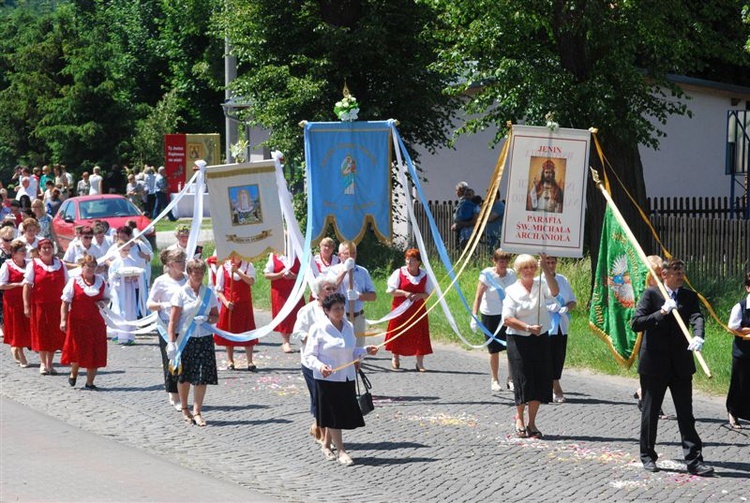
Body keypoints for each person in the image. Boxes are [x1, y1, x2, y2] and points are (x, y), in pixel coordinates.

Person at [631, 258, 713, 476]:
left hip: (680, 364)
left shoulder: (689, 296)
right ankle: (648, 455)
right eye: (677, 272)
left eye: (682, 272)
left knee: (686, 414)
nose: (681, 276)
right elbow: (636, 323)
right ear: (665, 274)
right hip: (654, 364)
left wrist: (698, 336)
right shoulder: (652, 294)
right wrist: (662, 312)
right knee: (650, 412)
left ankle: (694, 460)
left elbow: (697, 317)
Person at [303, 293, 379, 465]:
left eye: (342, 308)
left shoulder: (348, 326)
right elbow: (309, 355)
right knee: (334, 414)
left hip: (346, 377)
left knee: (335, 414)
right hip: (326, 379)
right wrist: (320, 366)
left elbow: (352, 352)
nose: (340, 311)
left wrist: (366, 350)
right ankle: (342, 451)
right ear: (326, 311)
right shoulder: (318, 328)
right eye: (336, 309)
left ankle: (326, 444)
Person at [502, 253, 559, 439]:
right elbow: (507, 319)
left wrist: (546, 269)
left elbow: (555, 291)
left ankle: (532, 422)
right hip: (519, 339)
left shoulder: (541, 284)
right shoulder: (512, 290)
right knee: (523, 379)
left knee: (539, 379)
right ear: (519, 270)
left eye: (532, 267)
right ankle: (519, 418)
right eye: (525, 267)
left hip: (540, 337)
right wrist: (527, 327)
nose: (529, 270)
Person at [166, 258, 220, 427]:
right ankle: (184, 408)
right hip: (185, 340)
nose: (197, 275)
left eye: (200, 272)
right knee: (185, 377)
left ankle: (197, 411)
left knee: (202, 377)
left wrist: (207, 318)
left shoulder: (208, 293)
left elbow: (215, 316)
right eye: (194, 272)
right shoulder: (181, 293)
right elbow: (173, 321)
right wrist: (172, 343)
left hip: (203, 338)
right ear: (189, 273)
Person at [293, 276, 338, 445]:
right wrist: (312, 338)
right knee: (320, 398)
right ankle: (325, 434)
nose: (332, 292)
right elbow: (297, 333)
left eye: (334, 289)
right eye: (328, 289)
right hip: (312, 363)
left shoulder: (338, 310)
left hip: (333, 362)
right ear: (317, 293)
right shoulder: (307, 311)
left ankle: (318, 427)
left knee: (330, 398)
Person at [60, 254, 110, 390]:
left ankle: (90, 382)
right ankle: (73, 372)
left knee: (95, 350)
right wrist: (63, 320)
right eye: (88, 266)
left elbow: (107, 298)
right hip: (78, 321)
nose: (91, 269)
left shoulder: (101, 281)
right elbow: (65, 302)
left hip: (96, 322)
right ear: (82, 267)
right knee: (77, 350)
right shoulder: (74, 281)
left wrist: (102, 302)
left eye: (93, 266)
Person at [147, 248, 187, 411]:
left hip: (185, 324)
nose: (183, 264)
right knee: (171, 359)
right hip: (166, 324)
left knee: (185, 359)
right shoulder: (161, 281)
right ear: (171, 264)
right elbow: (150, 304)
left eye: (184, 260)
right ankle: (174, 393)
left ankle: (183, 391)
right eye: (180, 261)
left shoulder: (187, 279)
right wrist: (164, 305)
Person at [471, 249, 516, 392]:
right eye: (500, 260)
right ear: (494, 261)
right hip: (490, 315)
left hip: (508, 315)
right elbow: (478, 296)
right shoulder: (487, 275)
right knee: (494, 350)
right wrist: (474, 316)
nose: (503, 263)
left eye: (506, 260)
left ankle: (511, 378)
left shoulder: (512, 275)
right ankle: (494, 379)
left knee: (511, 348)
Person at [23, 238, 69, 375]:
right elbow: (27, 285)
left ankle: (50, 363)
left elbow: (67, 284)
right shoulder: (34, 265)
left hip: (57, 306)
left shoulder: (60, 264)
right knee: (42, 334)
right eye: (44, 248)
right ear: (39, 251)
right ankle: (43, 363)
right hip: (40, 306)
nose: (47, 250)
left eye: (49, 247)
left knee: (54, 334)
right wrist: (26, 306)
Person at [384, 248, 433, 372]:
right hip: (401, 309)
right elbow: (391, 291)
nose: (409, 262)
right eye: (407, 259)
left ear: (418, 262)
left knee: (420, 334)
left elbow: (428, 293)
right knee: (398, 332)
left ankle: (420, 363)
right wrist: (405, 293)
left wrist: (419, 296)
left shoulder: (424, 275)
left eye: (412, 260)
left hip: (417, 310)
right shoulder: (399, 272)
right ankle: (395, 358)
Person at [329, 241, 377, 347]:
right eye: (347, 253)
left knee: (358, 349)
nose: (351, 256)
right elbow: (331, 289)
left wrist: (359, 296)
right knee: (341, 349)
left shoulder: (363, 272)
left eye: (353, 253)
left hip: (358, 316)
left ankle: (357, 364)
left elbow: (373, 296)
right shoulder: (333, 270)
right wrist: (345, 270)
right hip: (339, 317)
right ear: (339, 255)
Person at [214, 255, 257, 371]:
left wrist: (237, 271)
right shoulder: (223, 267)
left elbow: (251, 281)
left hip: (245, 304)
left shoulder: (248, 265)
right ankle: (230, 360)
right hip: (230, 305)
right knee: (229, 331)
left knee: (247, 331)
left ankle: (250, 361)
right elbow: (219, 290)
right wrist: (226, 302)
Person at [543, 256, 577, 403]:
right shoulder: (539, 280)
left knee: (558, 356)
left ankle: (554, 383)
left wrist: (566, 308)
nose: (551, 265)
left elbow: (572, 301)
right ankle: (554, 387)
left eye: (553, 262)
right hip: (546, 324)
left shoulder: (562, 279)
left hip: (561, 325)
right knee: (547, 356)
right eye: (548, 262)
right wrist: (547, 307)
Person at [263, 252, 306, 353]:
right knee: (284, 315)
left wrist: (294, 276)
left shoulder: (298, 254)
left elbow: (305, 273)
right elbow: (267, 275)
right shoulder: (274, 256)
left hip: (295, 290)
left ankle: (304, 340)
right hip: (280, 291)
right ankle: (286, 342)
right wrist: (280, 274)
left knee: (299, 314)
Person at [108, 239, 146, 345]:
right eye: (123, 250)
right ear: (119, 250)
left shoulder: (132, 261)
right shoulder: (115, 262)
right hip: (119, 291)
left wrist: (134, 278)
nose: (126, 252)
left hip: (130, 289)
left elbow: (137, 272)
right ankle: (119, 335)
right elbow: (112, 277)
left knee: (131, 311)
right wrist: (121, 279)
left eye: (127, 250)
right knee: (119, 311)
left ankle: (130, 335)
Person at [0, 239, 31, 367]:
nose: (24, 253)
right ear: (14, 253)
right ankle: (21, 353)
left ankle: (16, 348)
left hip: (27, 300)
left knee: (27, 327)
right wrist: (18, 284)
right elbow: (1, 285)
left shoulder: (29, 264)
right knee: (17, 327)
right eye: (21, 251)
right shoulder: (7, 265)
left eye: (25, 250)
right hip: (13, 301)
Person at [726, 271, 750, 430]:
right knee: (740, 384)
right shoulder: (740, 306)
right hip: (743, 352)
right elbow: (732, 328)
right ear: (748, 288)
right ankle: (733, 412)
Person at [452, 184, 479, 249]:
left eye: (469, 195)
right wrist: (457, 224)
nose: (467, 196)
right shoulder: (462, 204)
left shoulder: (475, 207)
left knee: (470, 249)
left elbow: (474, 221)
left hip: (470, 231)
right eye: (466, 195)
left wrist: (461, 224)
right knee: (462, 248)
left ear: (473, 196)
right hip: (462, 231)